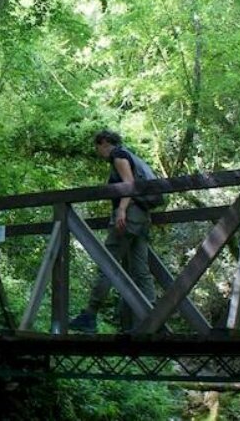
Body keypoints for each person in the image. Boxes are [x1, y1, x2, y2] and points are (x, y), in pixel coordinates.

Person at [69, 130, 157, 333]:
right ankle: (152, 318)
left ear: (105, 143)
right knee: (140, 270)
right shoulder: (131, 155)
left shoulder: (119, 156)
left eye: (97, 146)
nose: (97, 151)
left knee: (107, 263)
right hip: (142, 218)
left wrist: (121, 210)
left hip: (130, 218)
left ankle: (89, 315)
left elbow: (128, 185)